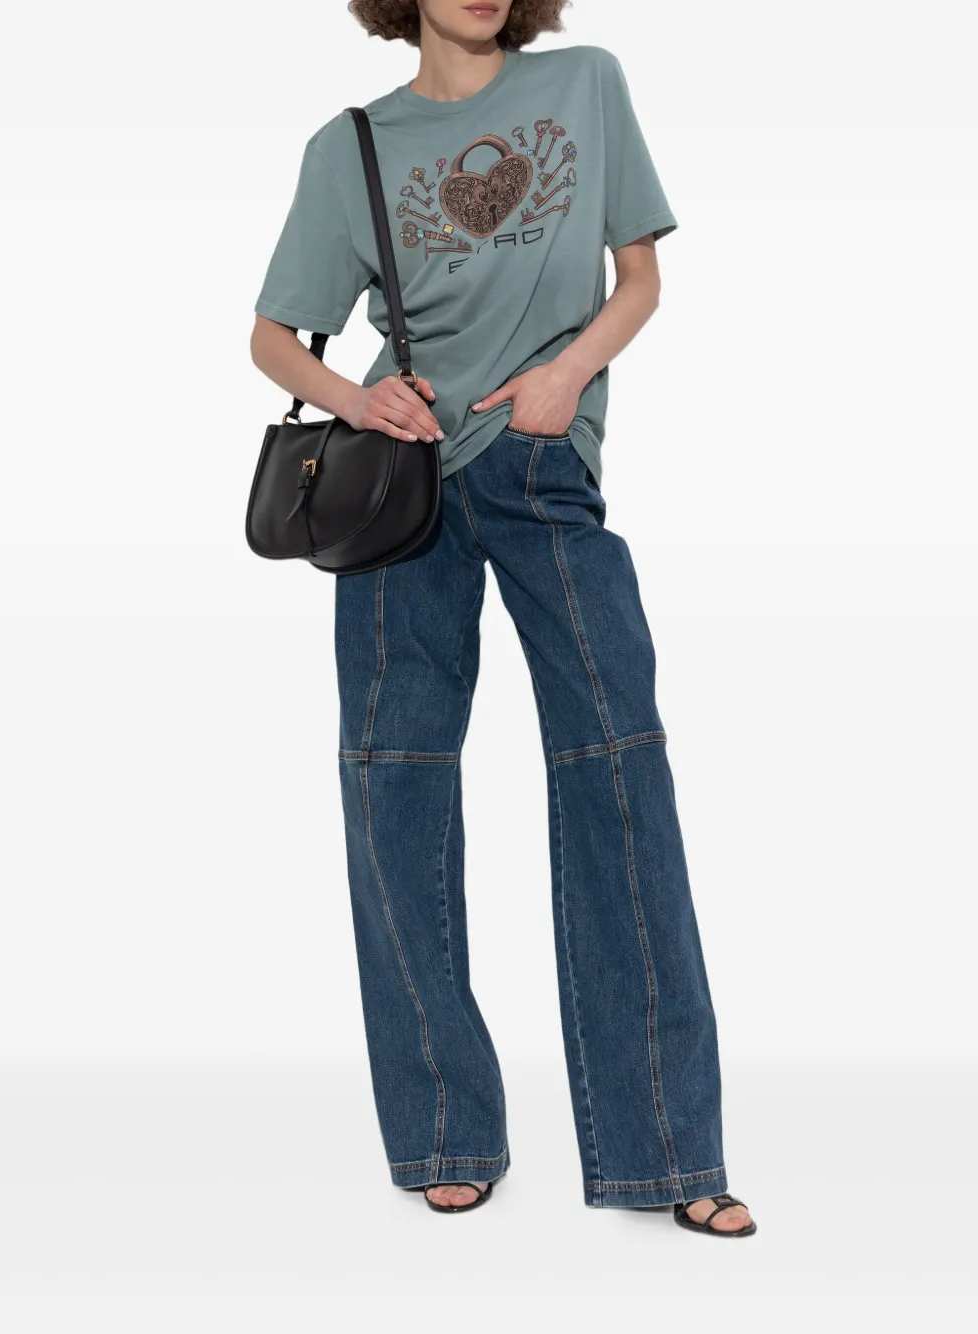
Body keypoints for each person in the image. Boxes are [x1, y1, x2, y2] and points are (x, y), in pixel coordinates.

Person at [250, 0, 756, 1236]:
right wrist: (358, 403)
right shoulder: (352, 145)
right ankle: (443, 1130)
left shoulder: (585, 84)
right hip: (403, 486)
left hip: (541, 465)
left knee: (619, 771)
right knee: (397, 788)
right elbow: (270, 338)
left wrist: (564, 377)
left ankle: (668, 1147)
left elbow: (639, 280)